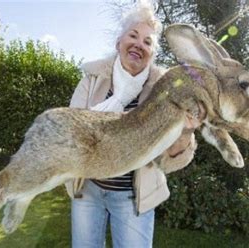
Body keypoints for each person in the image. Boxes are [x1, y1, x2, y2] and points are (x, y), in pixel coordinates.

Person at [68, 3, 201, 248]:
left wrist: (186, 131)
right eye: (133, 36)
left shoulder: (166, 91)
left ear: (152, 54)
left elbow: (169, 158)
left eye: (148, 42)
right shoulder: (92, 79)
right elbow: (71, 132)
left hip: (133, 197)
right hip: (88, 190)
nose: (139, 44)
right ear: (119, 42)